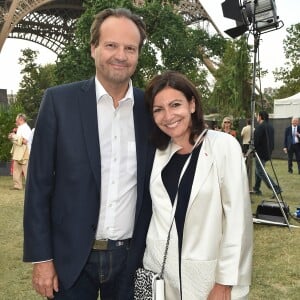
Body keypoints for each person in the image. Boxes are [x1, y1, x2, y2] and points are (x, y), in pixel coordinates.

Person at [23, 8, 153, 300]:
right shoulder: (58, 102)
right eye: (111, 45)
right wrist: (42, 259)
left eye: (130, 48)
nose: (121, 55)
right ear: (93, 49)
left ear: (137, 55)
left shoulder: (151, 108)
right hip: (70, 259)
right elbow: (38, 186)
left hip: (135, 261)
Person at [140, 71, 253, 300]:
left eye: (175, 104)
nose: (168, 115)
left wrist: (225, 282)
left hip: (208, 278)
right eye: (158, 109)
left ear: (192, 104)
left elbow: (237, 220)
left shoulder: (224, 146)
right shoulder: (156, 153)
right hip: (162, 275)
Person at [253, 111, 281, 196]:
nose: (256, 117)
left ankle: (275, 188)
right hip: (267, 152)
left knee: (260, 171)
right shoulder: (270, 127)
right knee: (258, 170)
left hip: (260, 152)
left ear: (260, 117)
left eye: (257, 116)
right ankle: (256, 188)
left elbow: (256, 141)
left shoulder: (260, 127)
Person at [8, 113, 32, 190]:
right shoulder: (20, 128)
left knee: (27, 170)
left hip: (25, 151)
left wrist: (14, 136)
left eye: (16, 119)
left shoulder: (26, 128)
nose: (15, 120)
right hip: (18, 151)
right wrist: (12, 136)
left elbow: (25, 141)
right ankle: (17, 186)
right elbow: (18, 139)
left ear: (21, 119)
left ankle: (31, 186)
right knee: (16, 169)